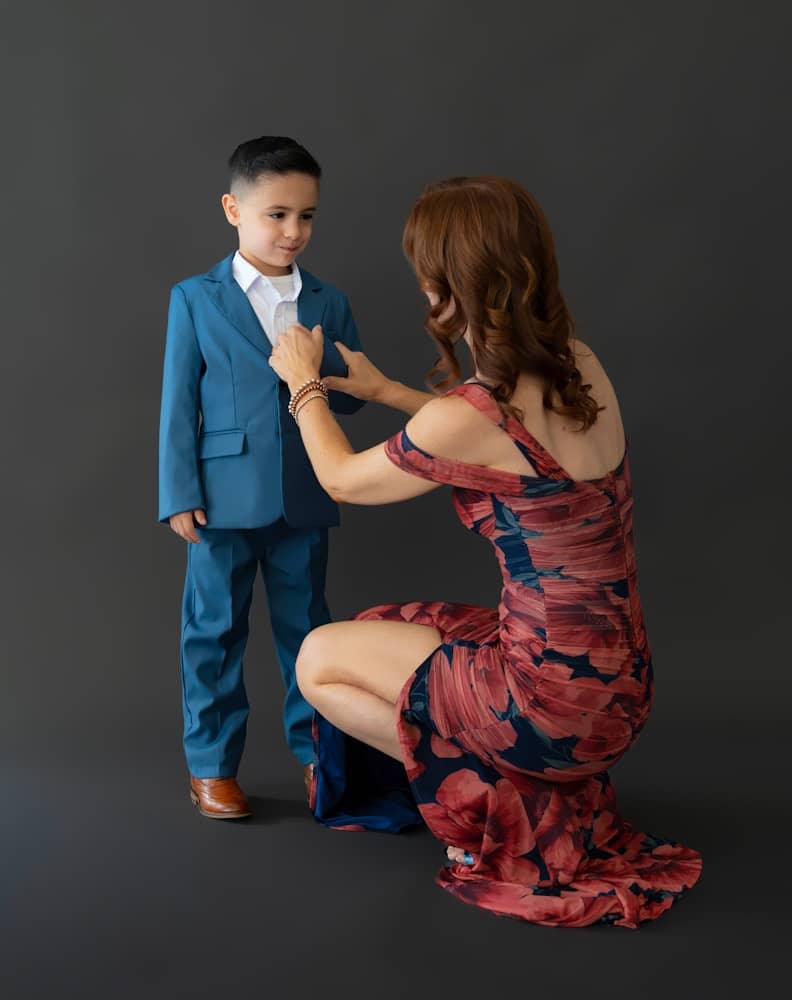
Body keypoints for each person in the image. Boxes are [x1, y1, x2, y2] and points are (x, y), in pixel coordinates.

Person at [267, 175, 702, 927]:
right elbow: (494, 441)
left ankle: (503, 800)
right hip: (621, 686)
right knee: (383, 624)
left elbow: (342, 479)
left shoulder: (475, 413)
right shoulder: (579, 363)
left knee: (317, 662)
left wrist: (304, 384)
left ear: (446, 288)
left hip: (550, 705)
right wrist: (389, 391)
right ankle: (532, 781)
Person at [158, 136, 364, 819]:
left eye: (306, 216)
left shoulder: (328, 300)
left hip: (306, 490)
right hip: (220, 500)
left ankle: (318, 759)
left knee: (309, 634)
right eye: (277, 214)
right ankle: (212, 767)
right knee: (213, 634)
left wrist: (326, 369)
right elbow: (178, 404)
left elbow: (352, 397)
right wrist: (179, 494)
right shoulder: (195, 298)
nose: (293, 231)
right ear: (233, 210)